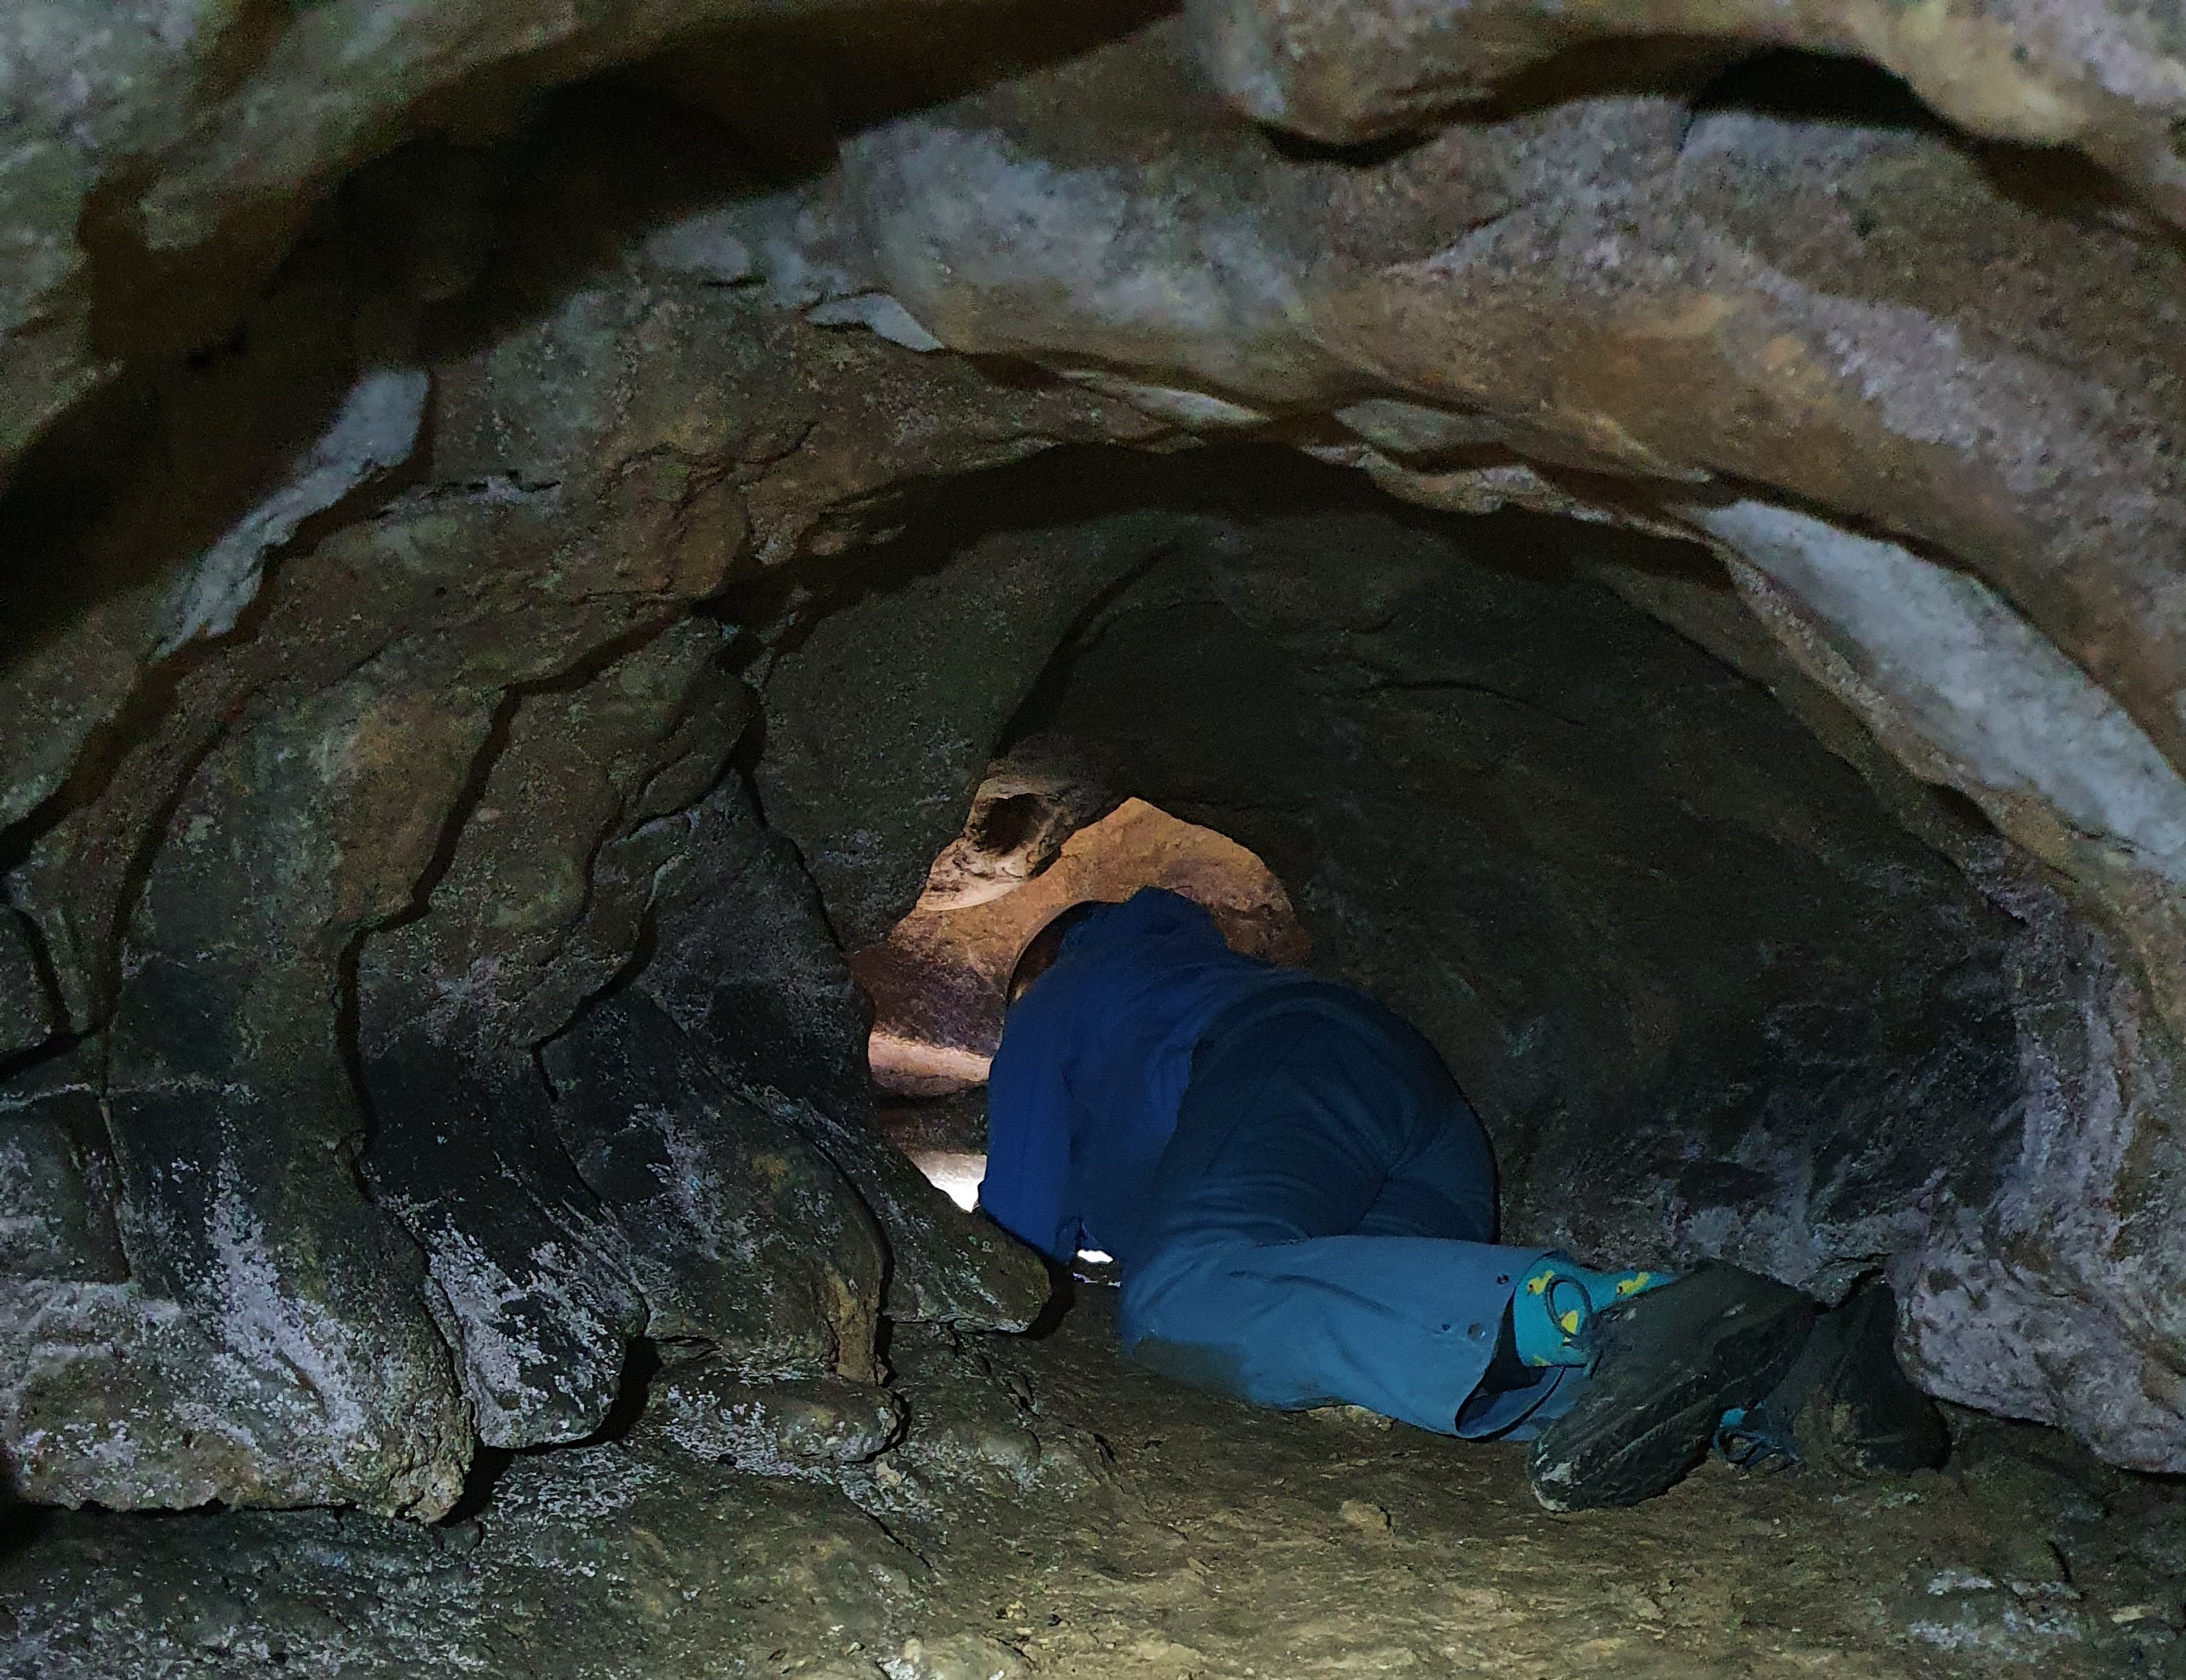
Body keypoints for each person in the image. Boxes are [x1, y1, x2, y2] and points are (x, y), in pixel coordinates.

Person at [978, 887, 1944, 1510]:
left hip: (1289, 1061)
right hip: (1417, 1128)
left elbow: (1011, 1235)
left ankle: (1630, 1307)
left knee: (1183, 1300)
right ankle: (1793, 1377)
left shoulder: (1076, 985)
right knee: (1386, 1349)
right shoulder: (1170, 988)